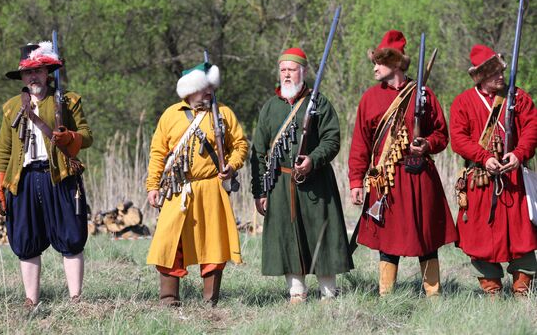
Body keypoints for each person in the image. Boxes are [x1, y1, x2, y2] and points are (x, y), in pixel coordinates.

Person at [348, 30, 457, 297]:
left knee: (427, 237)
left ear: (395, 63)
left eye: (379, 62)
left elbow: (442, 135)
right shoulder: (370, 98)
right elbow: (360, 144)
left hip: (420, 177)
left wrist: (427, 144)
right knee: (388, 238)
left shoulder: (425, 94)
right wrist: (355, 181)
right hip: (386, 179)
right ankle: (387, 296)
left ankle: (434, 296)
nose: (374, 67)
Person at [0, 41, 93, 307]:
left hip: (59, 176)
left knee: (70, 236)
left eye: (38, 71)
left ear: (48, 72)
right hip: (23, 179)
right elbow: (3, 150)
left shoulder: (67, 101)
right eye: (27, 72)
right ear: (22, 77)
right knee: (25, 239)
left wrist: (69, 136)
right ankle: (30, 299)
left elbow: (87, 136)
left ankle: (75, 297)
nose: (33, 76)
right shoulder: (11, 107)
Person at [250, 47, 353, 303]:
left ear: (303, 72)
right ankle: (296, 291)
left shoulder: (319, 103)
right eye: (283, 70)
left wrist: (313, 160)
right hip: (281, 184)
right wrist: (260, 191)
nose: (286, 75)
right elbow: (259, 152)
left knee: (322, 235)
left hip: (317, 181)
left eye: (292, 70)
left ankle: (328, 292)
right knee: (287, 235)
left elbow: (332, 139)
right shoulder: (270, 108)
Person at [146, 61, 248, 307]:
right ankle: (169, 298)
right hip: (177, 188)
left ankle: (209, 301)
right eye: (204, 88)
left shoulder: (223, 113)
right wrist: (153, 186)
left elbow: (241, 145)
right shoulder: (171, 114)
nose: (209, 92)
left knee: (213, 243)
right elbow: (158, 152)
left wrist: (231, 166)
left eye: (210, 88)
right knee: (169, 241)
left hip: (212, 187)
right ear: (190, 90)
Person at [450, 44, 537, 296]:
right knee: (480, 238)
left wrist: (519, 154)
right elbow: (458, 138)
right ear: (481, 77)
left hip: (514, 179)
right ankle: (492, 291)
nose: (501, 76)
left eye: (501, 71)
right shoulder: (464, 102)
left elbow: (532, 129)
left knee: (522, 236)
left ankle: (523, 291)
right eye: (493, 73)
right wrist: (483, 156)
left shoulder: (518, 98)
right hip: (480, 179)